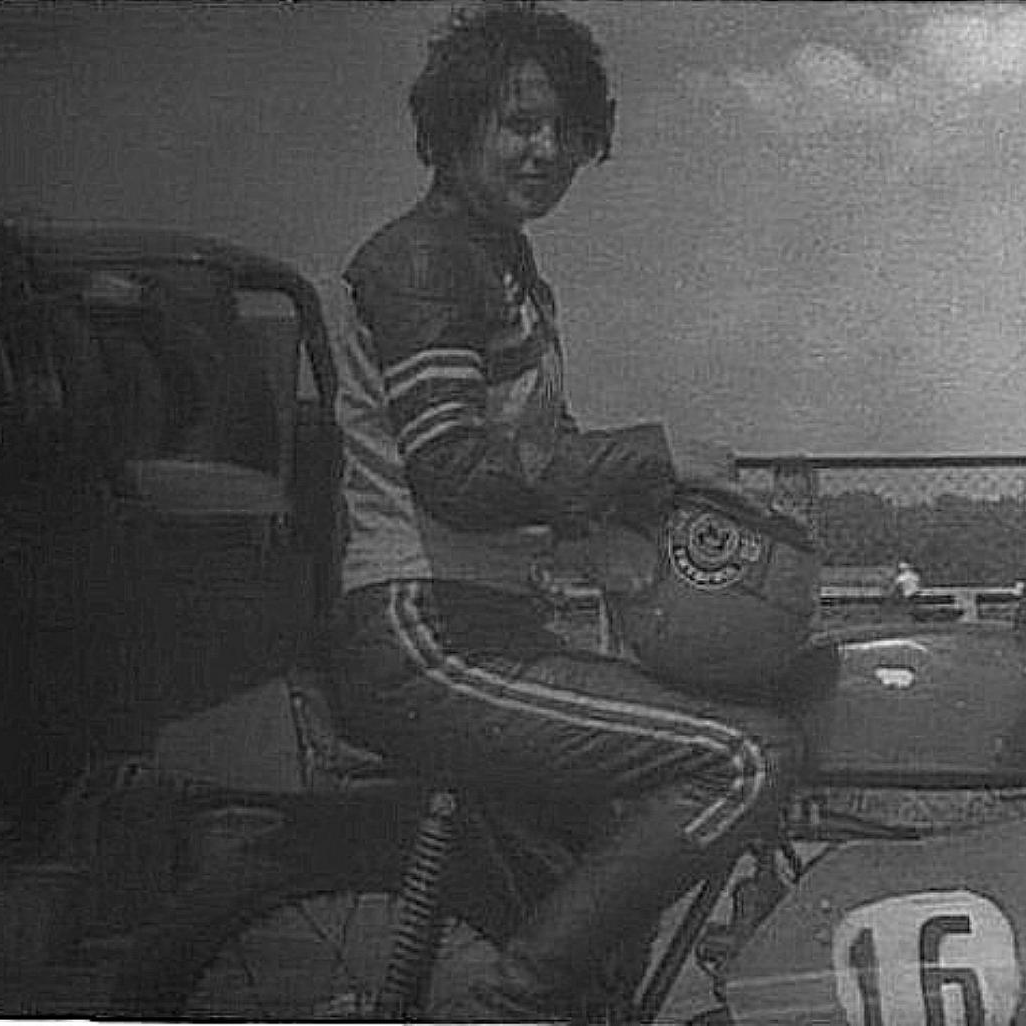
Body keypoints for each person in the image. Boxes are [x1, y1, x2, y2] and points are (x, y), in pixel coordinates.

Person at [324, 3, 801, 1021]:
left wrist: (641, 523)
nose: (547, 150)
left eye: (567, 129)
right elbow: (455, 470)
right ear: (457, 125)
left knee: (614, 876)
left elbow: (539, 459)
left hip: (487, 626)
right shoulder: (423, 261)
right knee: (745, 754)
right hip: (425, 634)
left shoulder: (501, 266)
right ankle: (513, 1006)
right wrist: (652, 455)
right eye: (518, 123)